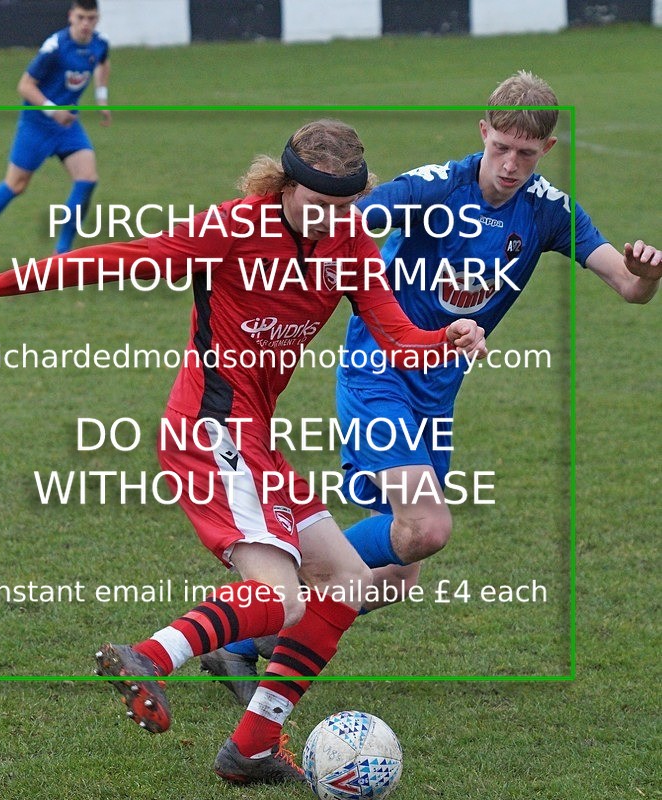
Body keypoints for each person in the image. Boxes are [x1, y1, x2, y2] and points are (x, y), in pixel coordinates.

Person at [0, 119, 485, 784]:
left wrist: (446, 338)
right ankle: (148, 655)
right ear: (284, 186)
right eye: (316, 208)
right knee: (280, 599)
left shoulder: (350, 243)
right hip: (211, 430)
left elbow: (397, 336)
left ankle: (251, 747)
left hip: (256, 439)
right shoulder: (233, 227)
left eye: (343, 208)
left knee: (346, 584)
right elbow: (116, 258)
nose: (328, 222)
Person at [201, 70, 662, 705]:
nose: (509, 164)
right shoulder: (432, 188)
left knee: (397, 572)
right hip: (378, 374)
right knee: (427, 525)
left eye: (525, 154)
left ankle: (245, 640)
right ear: (483, 132)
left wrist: (645, 273)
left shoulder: (550, 212)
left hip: (436, 396)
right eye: (500, 147)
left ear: (546, 150)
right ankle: (252, 600)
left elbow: (630, 287)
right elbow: (343, 219)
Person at [0, 0, 111, 262]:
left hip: (67, 126)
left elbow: (103, 63)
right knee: (16, 185)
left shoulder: (99, 44)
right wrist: (54, 110)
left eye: (91, 18)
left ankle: (62, 252)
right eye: (81, 17)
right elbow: (25, 85)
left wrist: (101, 97)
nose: (86, 24)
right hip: (37, 124)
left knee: (87, 178)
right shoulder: (55, 47)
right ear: (71, 17)